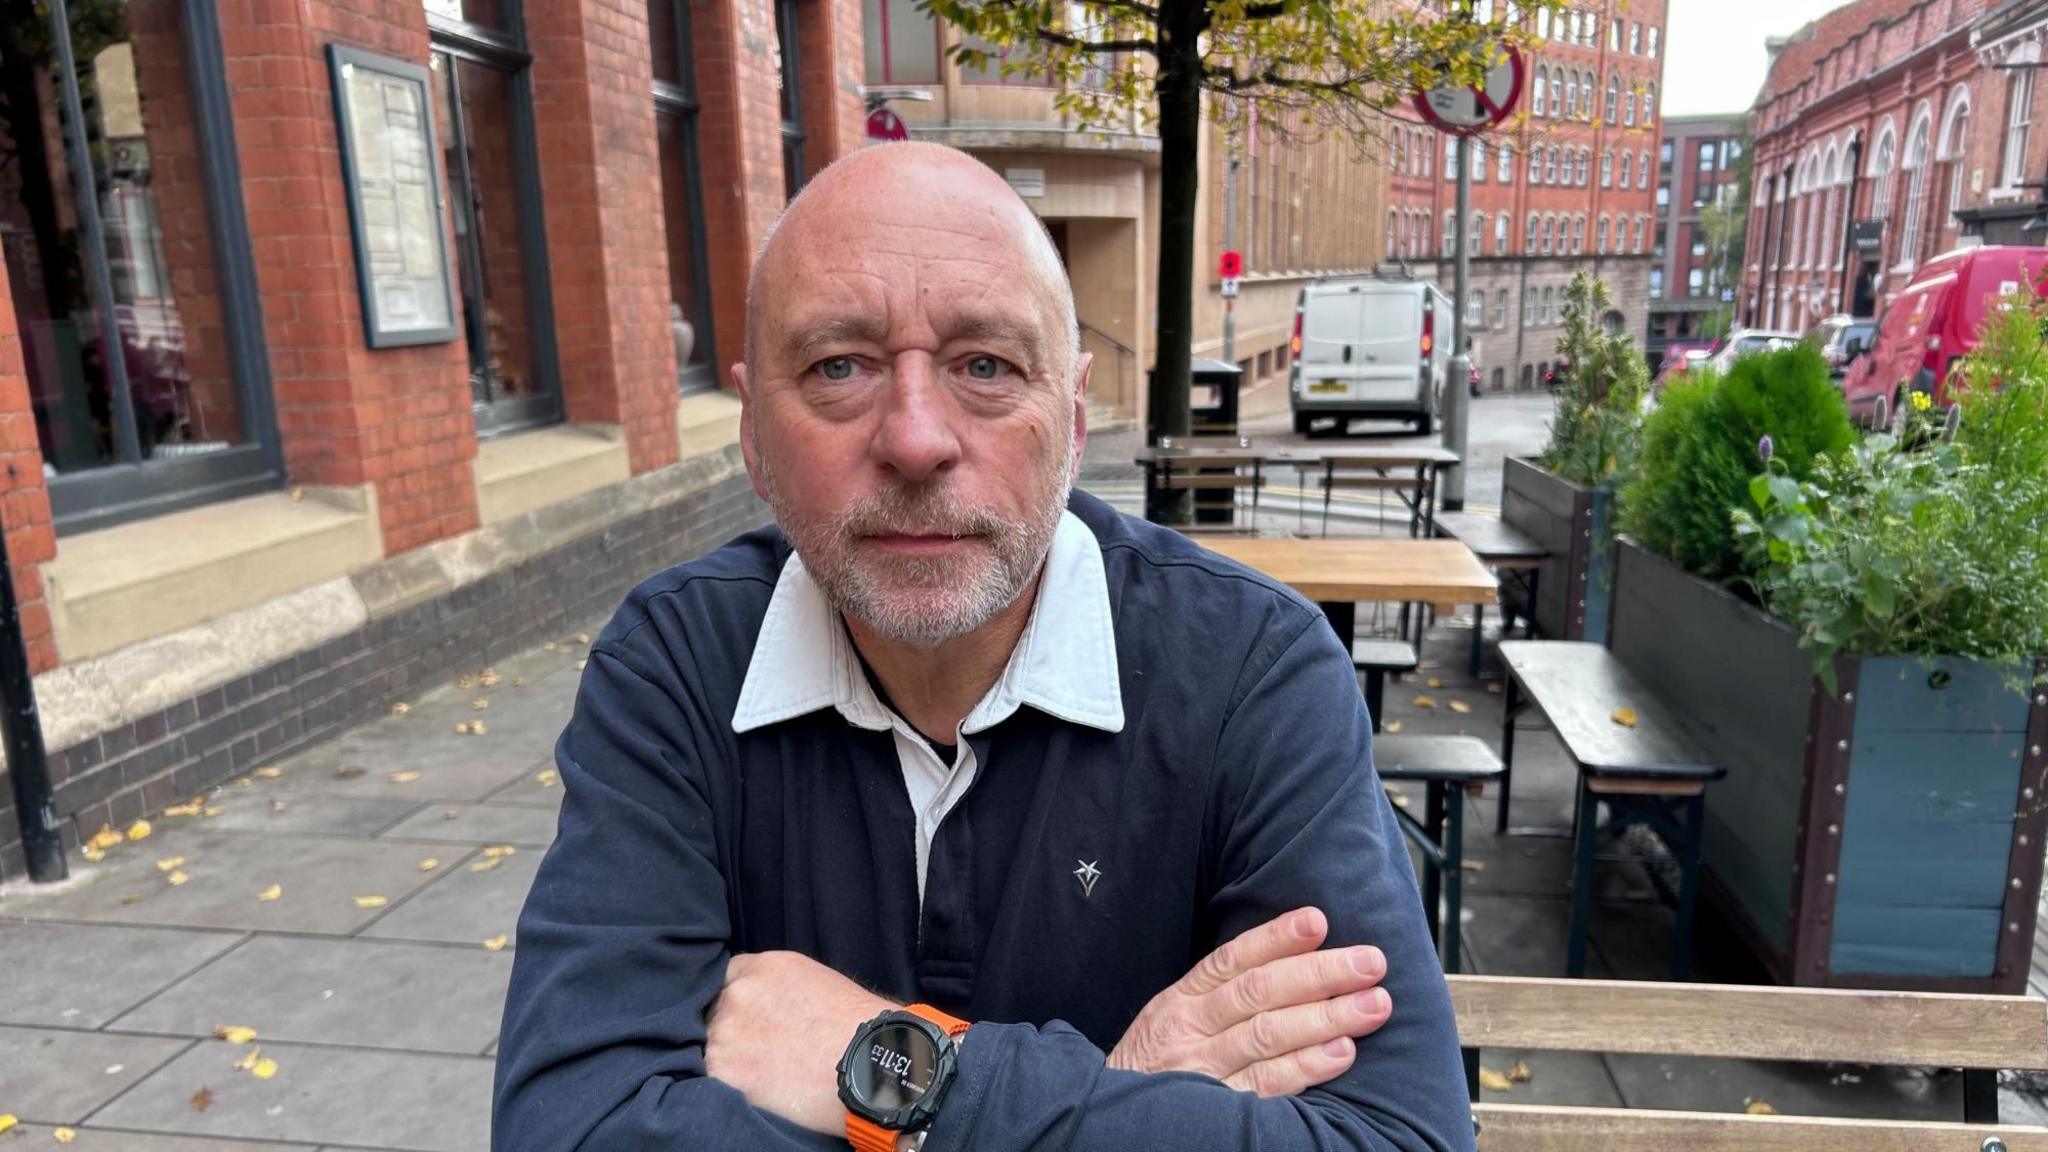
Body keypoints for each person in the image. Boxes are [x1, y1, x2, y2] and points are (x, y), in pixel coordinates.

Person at [493, 142, 1473, 1152]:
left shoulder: (1250, 673)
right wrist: (1115, 1099)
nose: (916, 439)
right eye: (839, 366)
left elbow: (1399, 1138)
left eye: (985, 367)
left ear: (1076, 413)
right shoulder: (674, 666)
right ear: (752, 429)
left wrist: (907, 1071)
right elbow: (568, 1129)